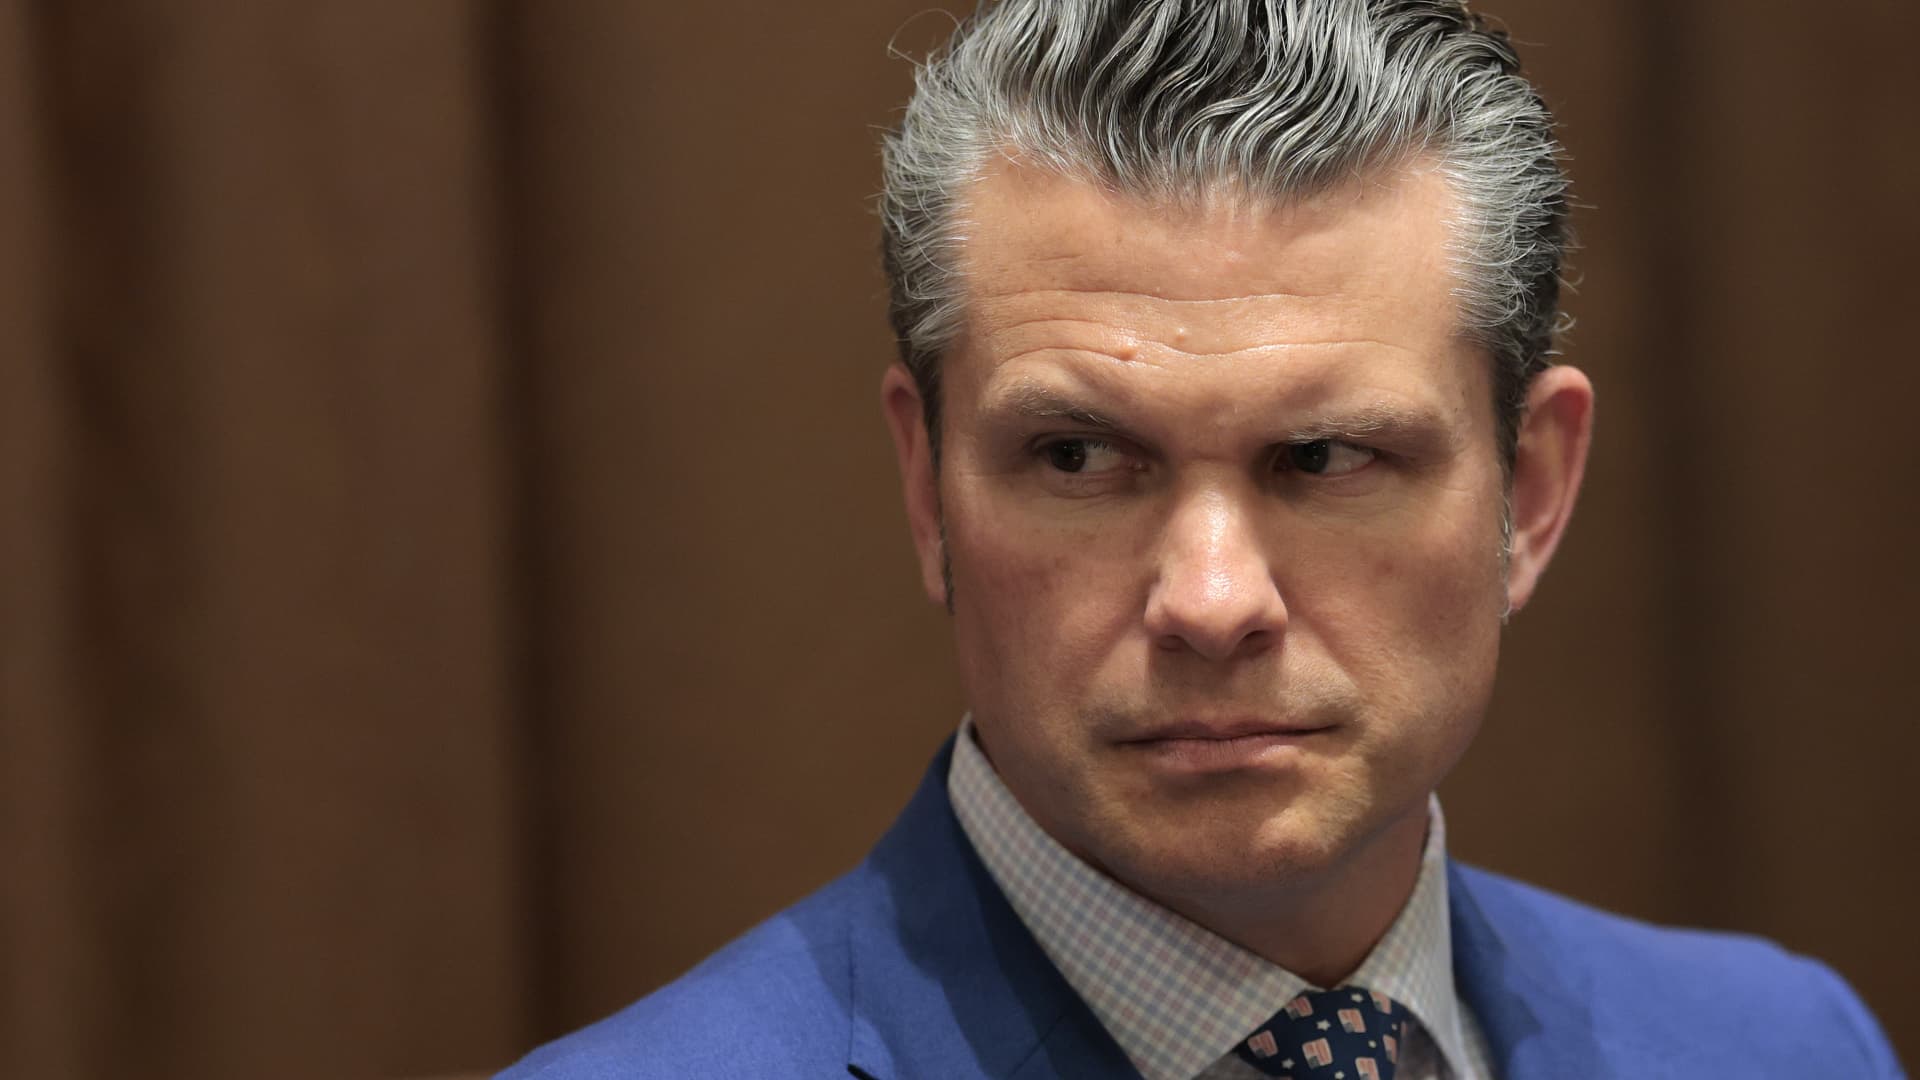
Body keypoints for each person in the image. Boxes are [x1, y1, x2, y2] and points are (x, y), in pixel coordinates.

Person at [500, 2, 1904, 1077]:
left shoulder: (1784, 1048)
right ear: (928, 491)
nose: (1214, 600)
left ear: (1527, 495)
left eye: (1327, 458)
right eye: (1079, 458)